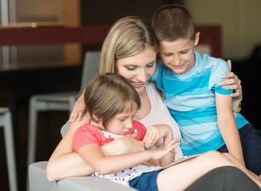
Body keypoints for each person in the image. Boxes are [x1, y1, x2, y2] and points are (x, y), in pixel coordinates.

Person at [46, 16, 243, 184]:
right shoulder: (95, 108)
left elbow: (202, 116)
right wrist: (115, 148)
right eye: (131, 68)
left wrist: (232, 99)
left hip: (193, 169)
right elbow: (53, 170)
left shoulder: (157, 86)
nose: (142, 77)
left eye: (149, 65)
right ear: (112, 61)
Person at [72, 73, 261, 191]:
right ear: (97, 116)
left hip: (155, 173)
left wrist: (165, 141)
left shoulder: (135, 128)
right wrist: (149, 153)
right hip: (138, 182)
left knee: (218, 156)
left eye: (132, 116)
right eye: (123, 119)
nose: (131, 124)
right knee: (214, 160)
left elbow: (161, 163)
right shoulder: (87, 133)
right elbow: (102, 166)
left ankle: (254, 180)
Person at [150, 3, 261, 175]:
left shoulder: (216, 68)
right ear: (157, 48)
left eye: (184, 51)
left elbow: (225, 118)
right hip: (199, 151)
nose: (177, 61)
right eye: (168, 54)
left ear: (196, 39)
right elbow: (128, 72)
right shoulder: (156, 71)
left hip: (237, 136)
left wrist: (239, 166)